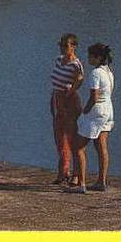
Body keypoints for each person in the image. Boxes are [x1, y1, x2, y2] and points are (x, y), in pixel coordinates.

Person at [65, 43, 115, 193]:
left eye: (90, 56)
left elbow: (94, 97)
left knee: (78, 146)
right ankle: (101, 181)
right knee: (101, 147)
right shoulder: (109, 72)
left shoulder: (95, 73)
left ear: (98, 57)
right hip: (108, 110)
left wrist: (85, 111)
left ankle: (81, 184)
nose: (88, 59)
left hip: (97, 111)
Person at [50, 33, 84, 186]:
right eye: (61, 45)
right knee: (59, 137)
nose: (63, 48)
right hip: (57, 98)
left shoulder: (76, 64)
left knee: (72, 138)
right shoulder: (58, 60)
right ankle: (63, 171)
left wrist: (70, 92)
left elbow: (80, 79)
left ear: (73, 47)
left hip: (69, 101)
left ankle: (76, 175)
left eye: (66, 46)